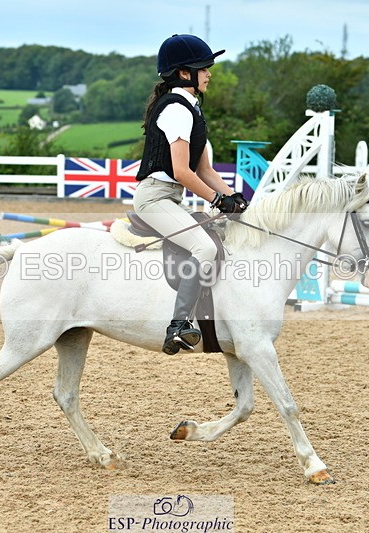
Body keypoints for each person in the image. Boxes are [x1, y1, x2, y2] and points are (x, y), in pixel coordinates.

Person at [134, 34, 248, 355]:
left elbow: (206, 171)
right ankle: (179, 324)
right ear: (185, 73)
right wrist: (216, 201)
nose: (210, 73)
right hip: (154, 198)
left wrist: (236, 200)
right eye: (204, 68)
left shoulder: (191, 109)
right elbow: (183, 172)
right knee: (204, 247)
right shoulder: (176, 110)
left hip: (170, 198)